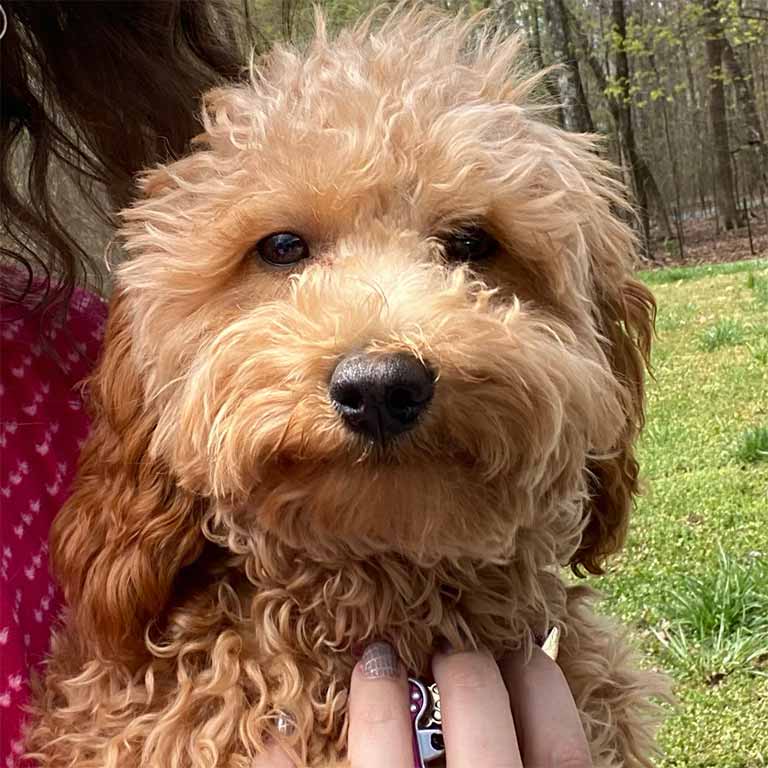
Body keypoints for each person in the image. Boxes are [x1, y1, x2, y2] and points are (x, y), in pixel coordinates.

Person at [0, 3, 591, 766]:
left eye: (470, 246)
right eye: (283, 250)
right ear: (143, 380)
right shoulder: (141, 704)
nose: (380, 365)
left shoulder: (573, 672)